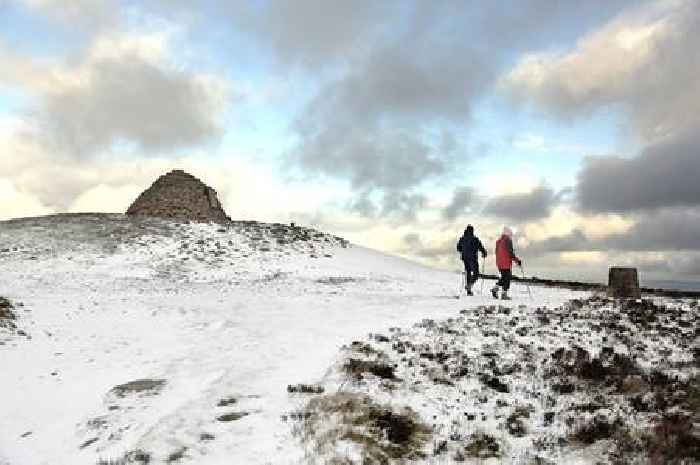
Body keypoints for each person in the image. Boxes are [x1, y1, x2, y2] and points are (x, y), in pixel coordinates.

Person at [491, 226, 522, 300]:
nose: (511, 235)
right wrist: (517, 260)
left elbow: (496, 252)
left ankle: (495, 288)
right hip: (505, 263)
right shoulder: (508, 240)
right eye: (510, 234)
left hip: (499, 262)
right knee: (507, 278)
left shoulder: (498, 241)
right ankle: (504, 294)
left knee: (504, 277)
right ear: (508, 233)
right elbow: (510, 253)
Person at [456, 225, 487, 295]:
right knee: (476, 273)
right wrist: (484, 253)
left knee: (468, 273)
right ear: (472, 231)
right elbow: (480, 247)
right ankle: (469, 285)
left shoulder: (462, 239)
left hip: (465, 258)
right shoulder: (475, 239)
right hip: (472, 258)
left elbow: (458, 248)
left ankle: (468, 291)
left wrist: (463, 251)